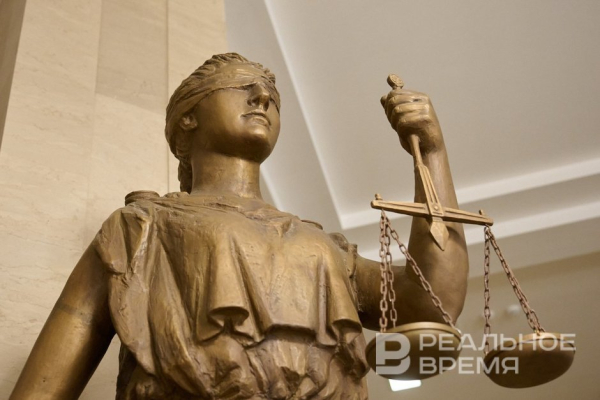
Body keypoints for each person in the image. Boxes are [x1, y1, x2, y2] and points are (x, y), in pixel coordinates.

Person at [10, 53, 468, 399]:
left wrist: (431, 153)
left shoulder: (323, 246)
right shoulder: (141, 228)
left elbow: (432, 305)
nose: (263, 98)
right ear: (188, 117)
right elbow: (43, 386)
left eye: (271, 96)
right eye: (240, 86)